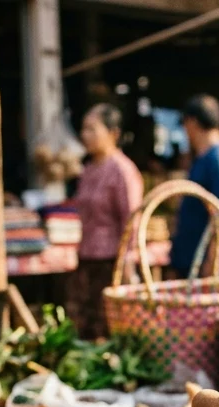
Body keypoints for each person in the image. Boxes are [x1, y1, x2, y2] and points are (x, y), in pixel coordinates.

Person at [68, 103, 144, 339]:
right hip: (87, 258)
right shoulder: (88, 169)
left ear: (113, 133)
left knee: (110, 326)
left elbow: (131, 220)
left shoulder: (122, 170)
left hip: (112, 262)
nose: (85, 135)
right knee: (86, 325)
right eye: (83, 129)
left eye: (92, 129)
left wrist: (127, 264)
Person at [169, 95, 219, 278]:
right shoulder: (203, 157)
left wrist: (211, 264)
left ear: (192, 123)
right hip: (192, 260)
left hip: (206, 266)